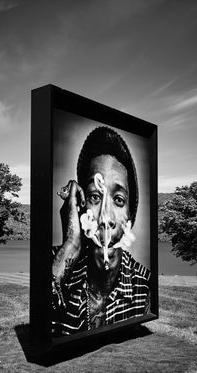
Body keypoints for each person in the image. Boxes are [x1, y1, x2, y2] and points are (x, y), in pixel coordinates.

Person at [52, 126, 150, 336]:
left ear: (130, 215)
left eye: (118, 200)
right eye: (95, 197)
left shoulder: (145, 286)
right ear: (81, 204)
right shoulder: (54, 264)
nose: (105, 217)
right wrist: (71, 244)